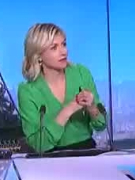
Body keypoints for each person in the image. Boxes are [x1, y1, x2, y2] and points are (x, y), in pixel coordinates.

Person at [17, 23, 107, 153]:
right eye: (54, 47)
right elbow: (38, 144)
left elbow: (101, 124)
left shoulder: (81, 73)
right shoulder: (28, 91)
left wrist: (92, 107)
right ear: (38, 55)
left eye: (64, 44)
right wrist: (67, 110)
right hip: (50, 158)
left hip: (86, 152)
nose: (64, 51)